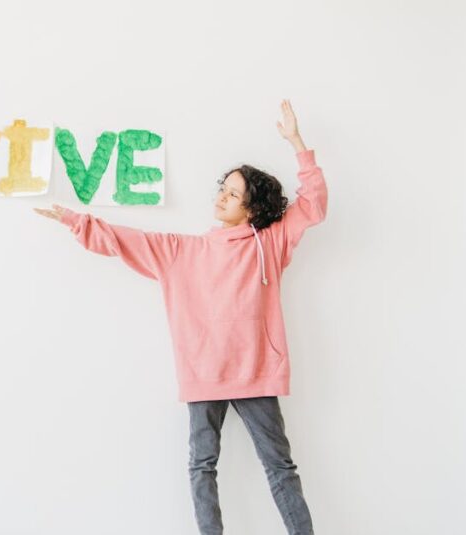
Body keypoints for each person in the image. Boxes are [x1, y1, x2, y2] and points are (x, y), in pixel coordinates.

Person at [34, 99, 326, 535]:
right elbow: (124, 240)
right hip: (205, 374)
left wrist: (297, 143)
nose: (222, 197)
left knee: (280, 467)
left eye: (233, 193)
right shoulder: (183, 252)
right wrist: (77, 221)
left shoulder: (271, 243)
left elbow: (314, 204)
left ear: (252, 208)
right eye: (222, 188)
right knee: (201, 466)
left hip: (257, 374)